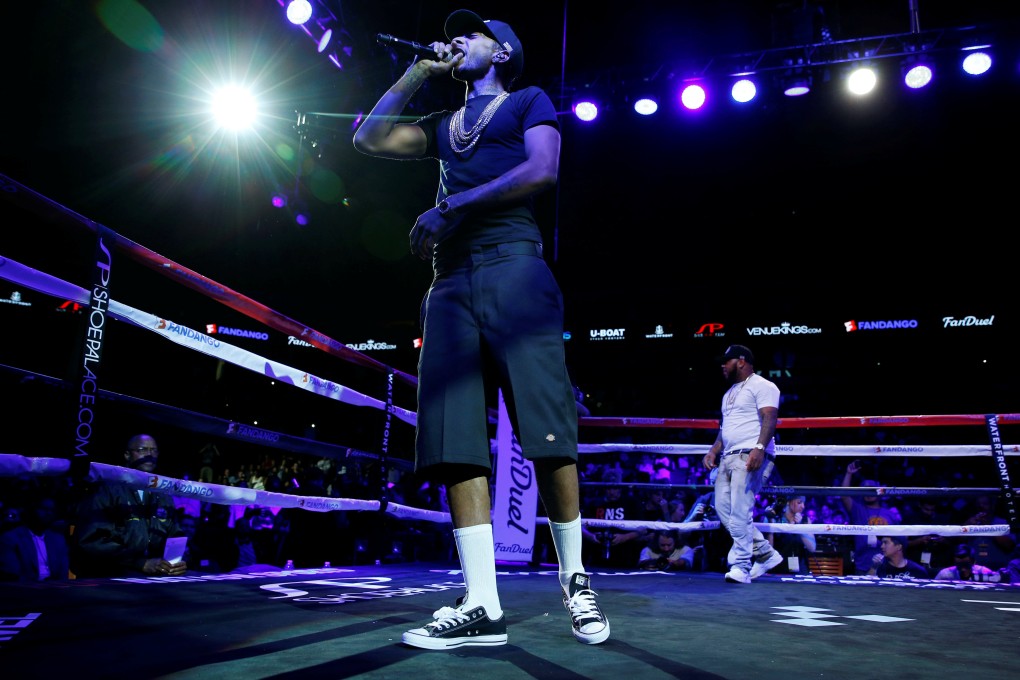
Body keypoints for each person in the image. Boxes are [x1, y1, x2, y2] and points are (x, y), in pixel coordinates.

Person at [352, 9, 608, 649]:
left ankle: (576, 580)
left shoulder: (528, 100)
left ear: (502, 52)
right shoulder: (443, 126)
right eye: (454, 33)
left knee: (546, 426)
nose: (457, 38)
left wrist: (452, 205)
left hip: (515, 267)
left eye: (472, 33)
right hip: (450, 283)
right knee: (454, 438)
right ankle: (483, 603)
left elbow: (542, 171)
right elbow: (368, 137)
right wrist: (418, 69)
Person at [702, 345, 783, 584]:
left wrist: (759, 448)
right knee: (723, 510)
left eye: (726, 361)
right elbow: (724, 429)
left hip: (750, 454)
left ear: (741, 361)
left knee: (739, 511)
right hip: (728, 456)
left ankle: (741, 566)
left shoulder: (764, 386)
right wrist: (713, 450)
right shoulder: (728, 394)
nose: (722, 366)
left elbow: (770, 417)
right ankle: (766, 554)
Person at [70, 434, 188, 578]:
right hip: (108, 576)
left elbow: (174, 534)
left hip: (150, 579)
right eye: (143, 450)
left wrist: (175, 562)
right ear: (127, 455)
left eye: (154, 450)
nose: (149, 454)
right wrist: (140, 563)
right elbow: (92, 540)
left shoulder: (163, 494)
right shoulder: (107, 489)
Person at [840, 460, 898, 574]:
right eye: (865, 490)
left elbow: (898, 541)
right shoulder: (857, 509)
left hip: (888, 566)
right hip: (862, 565)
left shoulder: (890, 514)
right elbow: (844, 495)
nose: (869, 493)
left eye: (871, 489)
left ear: (878, 491)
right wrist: (849, 473)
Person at [581, 468, 647, 568]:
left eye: (615, 488)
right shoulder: (594, 504)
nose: (612, 492)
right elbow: (580, 526)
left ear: (621, 487)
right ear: (603, 488)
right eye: (608, 488)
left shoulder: (631, 503)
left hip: (626, 556)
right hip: (597, 555)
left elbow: (643, 529)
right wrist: (591, 536)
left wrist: (625, 537)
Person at [0, 494, 70, 582]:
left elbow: (63, 575)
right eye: (44, 509)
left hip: (55, 590)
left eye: (52, 510)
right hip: (24, 591)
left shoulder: (58, 539)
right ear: (31, 510)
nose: (49, 513)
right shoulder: (10, 538)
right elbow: (12, 575)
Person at [765, 495, 817, 574]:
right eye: (799, 502)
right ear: (788, 502)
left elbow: (812, 548)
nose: (803, 506)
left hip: (800, 569)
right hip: (778, 568)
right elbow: (767, 550)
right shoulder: (774, 518)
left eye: (804, 503)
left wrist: (800, 526)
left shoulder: (805, 520)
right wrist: (771, 526)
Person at [934, 543, 999, 581]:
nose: (961, 560)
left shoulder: (983, 571)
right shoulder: (945, 574)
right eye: (959, 557)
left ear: (971, 559)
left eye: (964, 556)